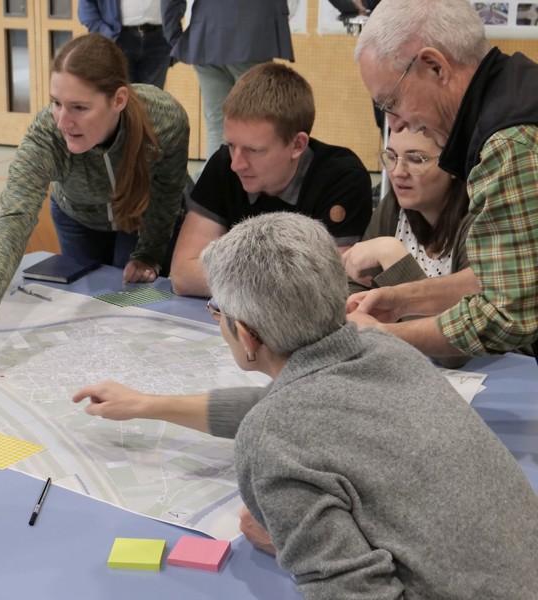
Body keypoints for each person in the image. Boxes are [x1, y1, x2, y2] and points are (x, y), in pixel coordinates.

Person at [73, 212, 538, 599]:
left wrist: (296, 542)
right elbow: (289, 409)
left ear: (248, 335)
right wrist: (149, 404)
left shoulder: (275, 437)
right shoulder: (385, 351)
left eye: (219, 311)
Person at [0, 33, 189, 382]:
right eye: (56, 103)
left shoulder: (164, 118)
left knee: (135, 309)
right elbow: (15, 218)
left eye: (79, 107)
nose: (63, 121)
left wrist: (149, 253)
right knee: (86, 308)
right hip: (79, 218)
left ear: (118, 99)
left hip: (141, 217)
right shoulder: (47, 135)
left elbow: (168, 194)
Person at [350, 0, 538, 360]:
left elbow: (507, 313)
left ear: (435, 66)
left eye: (392, 102)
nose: (395, 126)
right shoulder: (519, 87)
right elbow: (501, 274)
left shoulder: (507, 142)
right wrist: (402, 298)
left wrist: (386, 335)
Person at [169, 62, 372, 297]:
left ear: (297, 145)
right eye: (232, 145)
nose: (237, 164)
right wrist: (284, 280)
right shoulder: (224, 164)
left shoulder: (342, 178)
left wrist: (230, 275)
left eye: (254, 150)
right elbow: (184, 275)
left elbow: (329, 288)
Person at [343, 128, 472, 293]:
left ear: (454, 164)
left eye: (416, 160)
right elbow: (357, 285)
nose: (397, 172)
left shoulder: (480, 219)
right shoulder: (395, 205)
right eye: (391, 157)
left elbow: (467, 316)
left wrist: (392, 255)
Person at [162, 0, 294, 161]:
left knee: (217, 124)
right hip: (251, 38)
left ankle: (217, 183)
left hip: (206, 37)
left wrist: (173, 36)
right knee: (257, 119)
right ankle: (250, 183)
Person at [78, 0, 173, 89]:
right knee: (120, 97)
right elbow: (86, 6)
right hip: (118, 38)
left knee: (154, 100)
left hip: (159, 39)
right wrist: (104, 32)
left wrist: (174, 28)